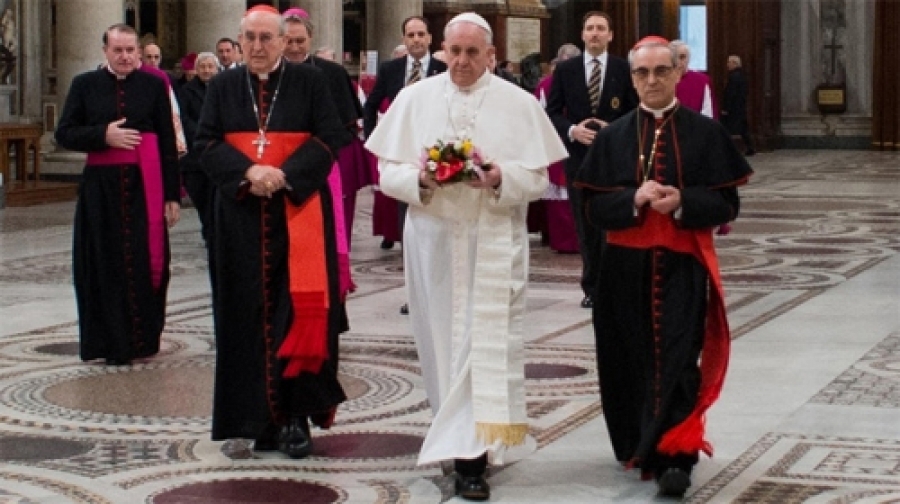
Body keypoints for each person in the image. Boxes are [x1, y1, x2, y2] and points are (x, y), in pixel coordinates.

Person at [365, 12, 567, 501]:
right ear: (442, 50)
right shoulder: (414, 99)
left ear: (491, 56)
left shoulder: (519, 103)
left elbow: (538, 179)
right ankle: (452, 430)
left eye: (472, 52)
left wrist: (500, 177)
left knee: (481, 343)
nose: (461, 61)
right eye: (453, 51)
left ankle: (471, 457)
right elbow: (385, 172)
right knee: (438, 340)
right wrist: (420, 178)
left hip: (491, 237)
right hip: (431, 239)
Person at [573, 36, 752, 498]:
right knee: (627, 358)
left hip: (682, 265)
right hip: (622, 270)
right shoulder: (612, 137)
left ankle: (678, 454)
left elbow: (727, 204)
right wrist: (632, 199)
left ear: (677, 74)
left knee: (678, 358)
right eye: (642, 73)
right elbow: (592, 209)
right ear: (632, 78)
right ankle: (638, 444)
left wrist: (683, 202)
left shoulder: (706, 133)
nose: (651, 81)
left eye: (660, 71)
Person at [194, 5, 352, 459]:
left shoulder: (310, 82)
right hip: (239, 218)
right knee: (241, 314)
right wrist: (248, 172)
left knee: (298, 314)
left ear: (284, 41)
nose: (257, 46)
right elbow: (205, 143)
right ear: (239, 41)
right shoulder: (222, 86)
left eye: (267, 38)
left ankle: (296, 417)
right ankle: (255, 419)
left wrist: (284, 175)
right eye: (250, 38)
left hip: (299, 212)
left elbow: (332, 137)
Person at [55, 23, 180, 366]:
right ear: (105, 51)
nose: (125, 57)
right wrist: (102, 135)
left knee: (144, 262)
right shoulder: (84, 84)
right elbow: (64, 133)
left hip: (145, 188)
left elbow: (167, 141)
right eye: (118, 50)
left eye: (130, 50)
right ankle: (108, 341)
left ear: (138, 51)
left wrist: (172, 194)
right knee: (103, 263)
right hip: (101, 191)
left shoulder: (154, 85)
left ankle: (143, 339)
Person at [546, 11, 638, 309]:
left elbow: (635, 110)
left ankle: (615, 285)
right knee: (585, 224)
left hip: (615, 158)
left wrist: (614, 130)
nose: (595, 33)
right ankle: (592, 287)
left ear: (610, 35)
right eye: (590, 28)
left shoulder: (624, 69)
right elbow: (552, 112)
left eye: (601, 28)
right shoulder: (566, 70)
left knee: (614, 221)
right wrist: (573, 130)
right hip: (579, 158)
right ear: (583, 34)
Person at [282, 9, 367, 251]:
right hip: (280, 164)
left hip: (323, 164)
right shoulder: (269, 73)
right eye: (288, 41)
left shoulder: (332, 73)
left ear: (311, 38)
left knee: (324, 232)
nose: (295, 48)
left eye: (300, 41)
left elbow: (346, 127)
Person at [363, 16, 447, 252]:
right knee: (404, 198)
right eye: (411, 35)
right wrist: (373, 141)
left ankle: (434, 250)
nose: (416, 39)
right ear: (404, 39)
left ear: (430, 38)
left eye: (421, 34)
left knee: (435, 199)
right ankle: (408, 251)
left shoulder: (443, 69)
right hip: (403, 145)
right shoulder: (391, 69)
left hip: (435, 146)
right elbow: (371, 105)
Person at [178, 51, 218, 246]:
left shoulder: (222, 89)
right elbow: (183, 119)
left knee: (215, 201)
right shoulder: (186, 91)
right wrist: (203, 133)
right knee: (201, 199)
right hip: (195, 157)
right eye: (202, 66)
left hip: (217, 154)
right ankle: (208, 230)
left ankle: (214, 235)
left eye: (210, 66)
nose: (206, 70)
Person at [670, 40, 716, 118]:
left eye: (682, 57)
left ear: (688, 58)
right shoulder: (662, 80)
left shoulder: (701, 81)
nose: (678, 62)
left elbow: (707, 113)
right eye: (674, 57)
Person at [721, 54, 755, 156]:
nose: (727, 65)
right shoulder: (742, 75)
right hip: (740, 106)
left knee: (726, 129)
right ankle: (750, 147)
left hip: (733, 108)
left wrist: (726, 108)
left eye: (729, 62)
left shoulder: (734, 77)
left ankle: (728, 149)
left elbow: (730, 94)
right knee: (743, 129)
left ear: (735, 63)